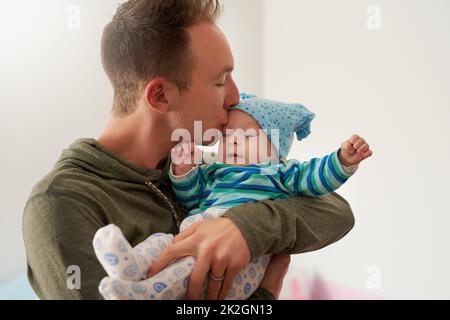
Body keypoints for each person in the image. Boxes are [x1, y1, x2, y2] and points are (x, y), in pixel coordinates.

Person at [22, 0, 355, 300]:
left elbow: (337, 211)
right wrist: (262, 299)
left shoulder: (199, 164)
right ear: (161, 96)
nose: (236, 98)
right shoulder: (62, 204)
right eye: (220, 81)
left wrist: (244, 227)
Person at [93, 94, 372, 300]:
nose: (235, 141)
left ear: (276, 150)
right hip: (190, 235)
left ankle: (138, 294)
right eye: (227, 136)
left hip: (242, 265)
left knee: (191, 270)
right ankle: (131, 265)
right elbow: (190, 197)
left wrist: (342, 160)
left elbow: (315, 177)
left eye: (247, 136)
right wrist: (184, 170)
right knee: (162, 243)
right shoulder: (215, 171)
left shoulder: (279, 173)